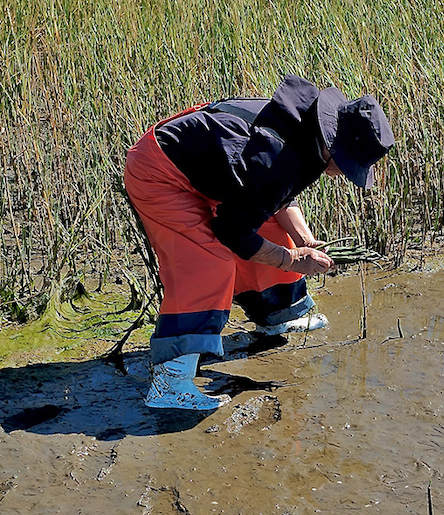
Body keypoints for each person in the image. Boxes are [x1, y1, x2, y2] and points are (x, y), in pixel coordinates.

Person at [123, 74, 394, 411]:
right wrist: (293, 261)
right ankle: (169, 383)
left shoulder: (306, 130)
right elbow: (235, 233)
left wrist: (305, 241)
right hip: (160, 172)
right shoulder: (279, 155)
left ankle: (277, 312)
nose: (345, 173)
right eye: (349, 164)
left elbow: (273, 197)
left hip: (210, 172)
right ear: (333, 146)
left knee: (273, 232)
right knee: (210, 265)